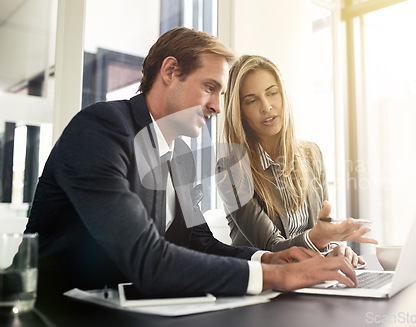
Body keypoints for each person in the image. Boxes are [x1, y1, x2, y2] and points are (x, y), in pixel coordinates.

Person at [26, 27, 359, 303]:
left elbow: (202, 244)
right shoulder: (102, 128)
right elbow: (147, 257)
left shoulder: (180, 159)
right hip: (53, 311)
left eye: (221, 93)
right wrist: (278, 276)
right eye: (209, 88)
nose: (216, 106)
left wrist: (268, 259)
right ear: (170, 71)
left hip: (129, 310)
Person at [218, 55, 377, 266]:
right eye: (251, 100)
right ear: (240, 112)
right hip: (268, 286)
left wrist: (335, 249)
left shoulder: (312, 154)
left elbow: (323, 229)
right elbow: (272, 249)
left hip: (311, 278)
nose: (266, 107)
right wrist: (319, 238)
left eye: (272, 93)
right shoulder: (231, 168)